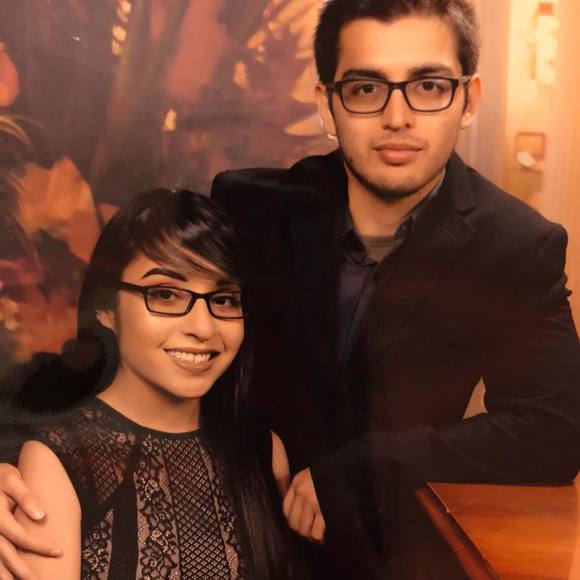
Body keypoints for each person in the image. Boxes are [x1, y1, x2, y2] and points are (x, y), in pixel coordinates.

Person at [0, 0, 580, 578]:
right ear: (327, 103)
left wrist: (371, 465)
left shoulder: (516, 244)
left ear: (469, 99)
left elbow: (556, 430)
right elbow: (114, 341)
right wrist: (12, 454)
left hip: (390, 555)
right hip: (235, 534)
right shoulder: (251, 207)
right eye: (366, 88)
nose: (397, 117)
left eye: (428, 86)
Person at [1, 189, 297, 579]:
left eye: (224, 299)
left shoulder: (263, 450)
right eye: (165, 294)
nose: (203, 327)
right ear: (105, 309)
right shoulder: (59, 460)